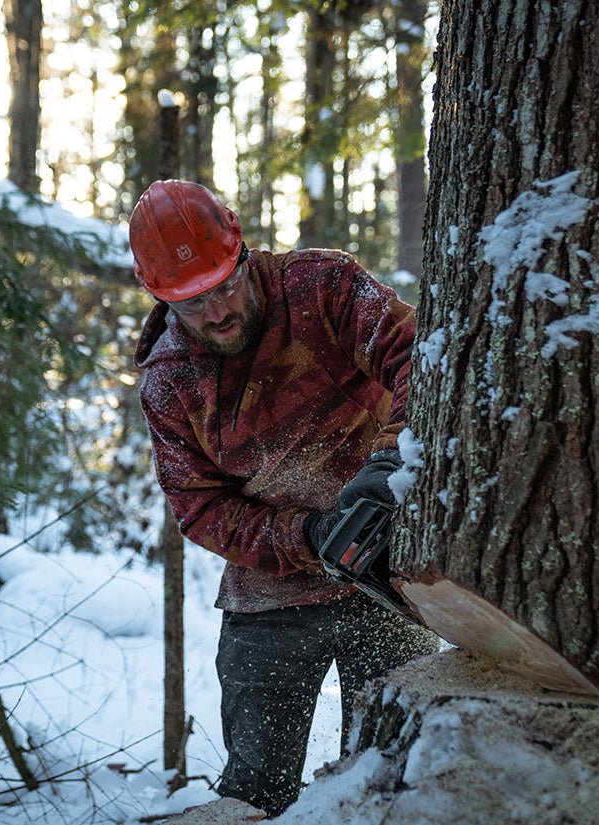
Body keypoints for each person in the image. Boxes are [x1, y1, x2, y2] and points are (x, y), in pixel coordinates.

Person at [130, 180, 439, 815]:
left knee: (392, 781)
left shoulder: (321, 287)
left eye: (223, 287)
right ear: (160, 299)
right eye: (191, 304)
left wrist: (389, 463)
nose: (216, 313)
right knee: (255, 792)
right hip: (268, 596)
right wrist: (303, 538)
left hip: (386, 576)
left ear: (243, 254)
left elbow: (422, 357)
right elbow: (200, 508)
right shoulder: (169, 382)